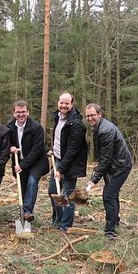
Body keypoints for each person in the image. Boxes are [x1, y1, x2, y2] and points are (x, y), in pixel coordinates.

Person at [85, 103, 133, 239]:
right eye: (87, 116)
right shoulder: (98, 127)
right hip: (114, 165)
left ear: (99, 114)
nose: (89, 118)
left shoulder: (105, 130)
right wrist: (99, 164)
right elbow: (105, 154)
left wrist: (94, 179)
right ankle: (114, 225)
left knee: (108, 196)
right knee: (112, 195)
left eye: (92, 115)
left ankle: (110, 231)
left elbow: (106, 158)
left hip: (121, 166)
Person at [48, 92, 88, 233]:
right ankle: (57, 221)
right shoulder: (57, 118)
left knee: (67, 195)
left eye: (67, 103)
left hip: (70, 164)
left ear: (72, 104)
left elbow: (72, 150)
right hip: (58, 159)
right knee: (53, 191)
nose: (63, 105)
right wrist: (54, 150)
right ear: (58, 103)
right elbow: (60, 139)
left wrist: (60, 170)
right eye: (61, 102)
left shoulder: (76, 124)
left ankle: (66, 226)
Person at [6, 100, 48, 222]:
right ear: (14, 113)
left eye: (23, 112)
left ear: (28, 112)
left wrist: (23, 165)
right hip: (19, 162)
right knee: (23, 187)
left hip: (37, 163)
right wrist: (10, 147)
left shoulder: (36, 128)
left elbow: (36, 150)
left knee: (32, 182)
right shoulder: (9, 127)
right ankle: (23, 213)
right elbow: (4, 143)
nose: (21, 115)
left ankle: (27, 211)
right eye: (18, 112)